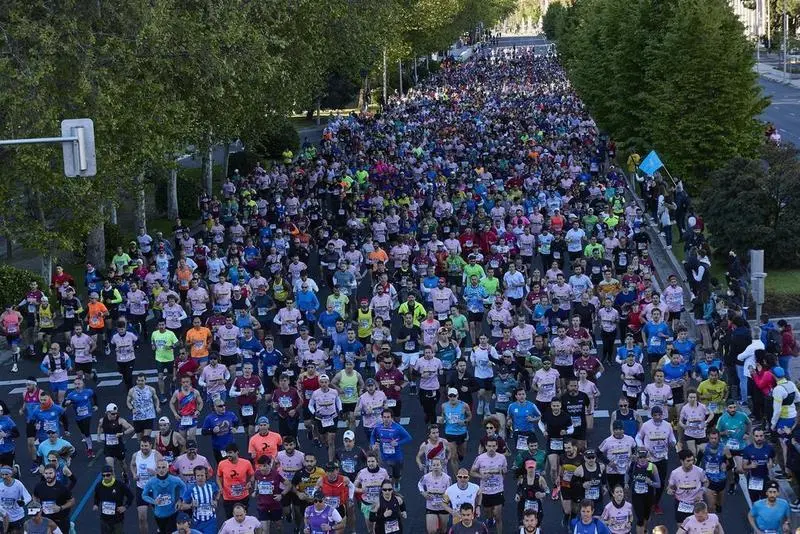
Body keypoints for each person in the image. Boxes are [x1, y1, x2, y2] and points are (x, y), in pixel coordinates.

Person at [370, 409, 412, 490]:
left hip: (396, 457)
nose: (386, 419)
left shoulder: (398, 428)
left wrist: (397, 443)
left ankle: (396, 482)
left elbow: (409, 438)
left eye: (388, 417)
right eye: (384, 417)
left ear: (391, 418)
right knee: (386, 477)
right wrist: (373, 444)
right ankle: (389, 490)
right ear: (381, 418)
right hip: (384, 457)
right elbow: (373, 436)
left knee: (397, 476)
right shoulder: (378, 427)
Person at [667, 449, 708, 524]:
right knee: (681, 528)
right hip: (681, 503)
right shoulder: (675, 473)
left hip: (696, 503)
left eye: (692, 460)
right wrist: (669, 490)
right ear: (682, 461)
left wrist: (701, 492)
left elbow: (706, 482)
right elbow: (670, 486)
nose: (691, 463)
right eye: (688, 461)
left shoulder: (699, 471)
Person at [32, 464, 74, 534]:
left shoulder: (62, 488)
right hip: (46, 520)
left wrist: (60, 508)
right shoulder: (39, 486)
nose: (48, 475)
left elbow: (72, 501)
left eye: (50, 473)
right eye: (46, 473)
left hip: (60, 521)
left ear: (55, 474)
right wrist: (37, 506)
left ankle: (71, 528)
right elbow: (34, 496)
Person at [93, 464, 134, 534]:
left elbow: (131, 496)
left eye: (108, 475)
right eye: (103, 475)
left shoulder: (120, 485)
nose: (105, 477)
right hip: (104, 519)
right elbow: (96, 497)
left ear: (112, 474)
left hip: (117, 519)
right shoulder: (99, 486)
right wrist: (96, 504)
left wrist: (125, 506)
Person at [217, 443, 254, 518]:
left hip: (243, 497)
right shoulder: (222, 464)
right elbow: (218, 476)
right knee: (230, 519)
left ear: (237, 452)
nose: (228, 455)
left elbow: (252, 475)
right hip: (228, 497)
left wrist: (250, 482)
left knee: (243, 518)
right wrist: (220, 487)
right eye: (227, 453)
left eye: (230, 453)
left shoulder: (246, 463)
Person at [179, 465, 220, 534]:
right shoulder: (190, 489)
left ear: (205, 476)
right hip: (197, 522)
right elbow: (182, 506)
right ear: (195, 477)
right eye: (198, 476)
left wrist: (215, 500)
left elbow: (218, 492)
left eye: (202, 475)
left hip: (211, 521)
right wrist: (191, 505)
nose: (200, 478)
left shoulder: (212, 485)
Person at [0, 464, 31, 534]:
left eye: (6, 474)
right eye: (2, 474)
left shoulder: (18, 484)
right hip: (3, 517)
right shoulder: (0, 485)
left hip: (17, 517)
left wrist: (23, 502)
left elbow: (28, 497)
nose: (4, 477)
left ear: (11, 474)